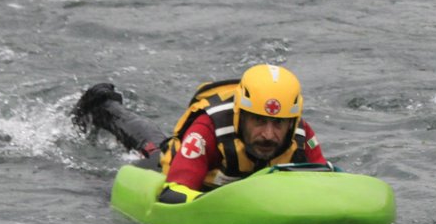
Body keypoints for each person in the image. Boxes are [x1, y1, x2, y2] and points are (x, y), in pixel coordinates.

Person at [74, 63, 330, 203]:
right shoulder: (210, 127)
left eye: (279, 124)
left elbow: (325, 182)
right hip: (170, 167)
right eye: (259, 122)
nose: (269, 135)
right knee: (153, 148)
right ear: (241, 116)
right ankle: (103, 108)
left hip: (240, 186)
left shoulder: (299, 135)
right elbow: (177, 192)